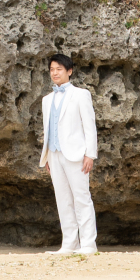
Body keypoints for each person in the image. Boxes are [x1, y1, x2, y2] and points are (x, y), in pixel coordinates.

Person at [39, 52, 98, 255]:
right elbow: (48, 129)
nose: (55, 73)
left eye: (59, 69)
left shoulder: (81, 94)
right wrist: (47, 155)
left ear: (69, 71)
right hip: (54, 155)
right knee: (62, 199)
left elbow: (89, 125)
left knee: (81, 197)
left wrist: (90, 154)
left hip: (76, 154)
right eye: (52, 70)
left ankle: (88, 243)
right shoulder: (47, 99)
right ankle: (69, 244)